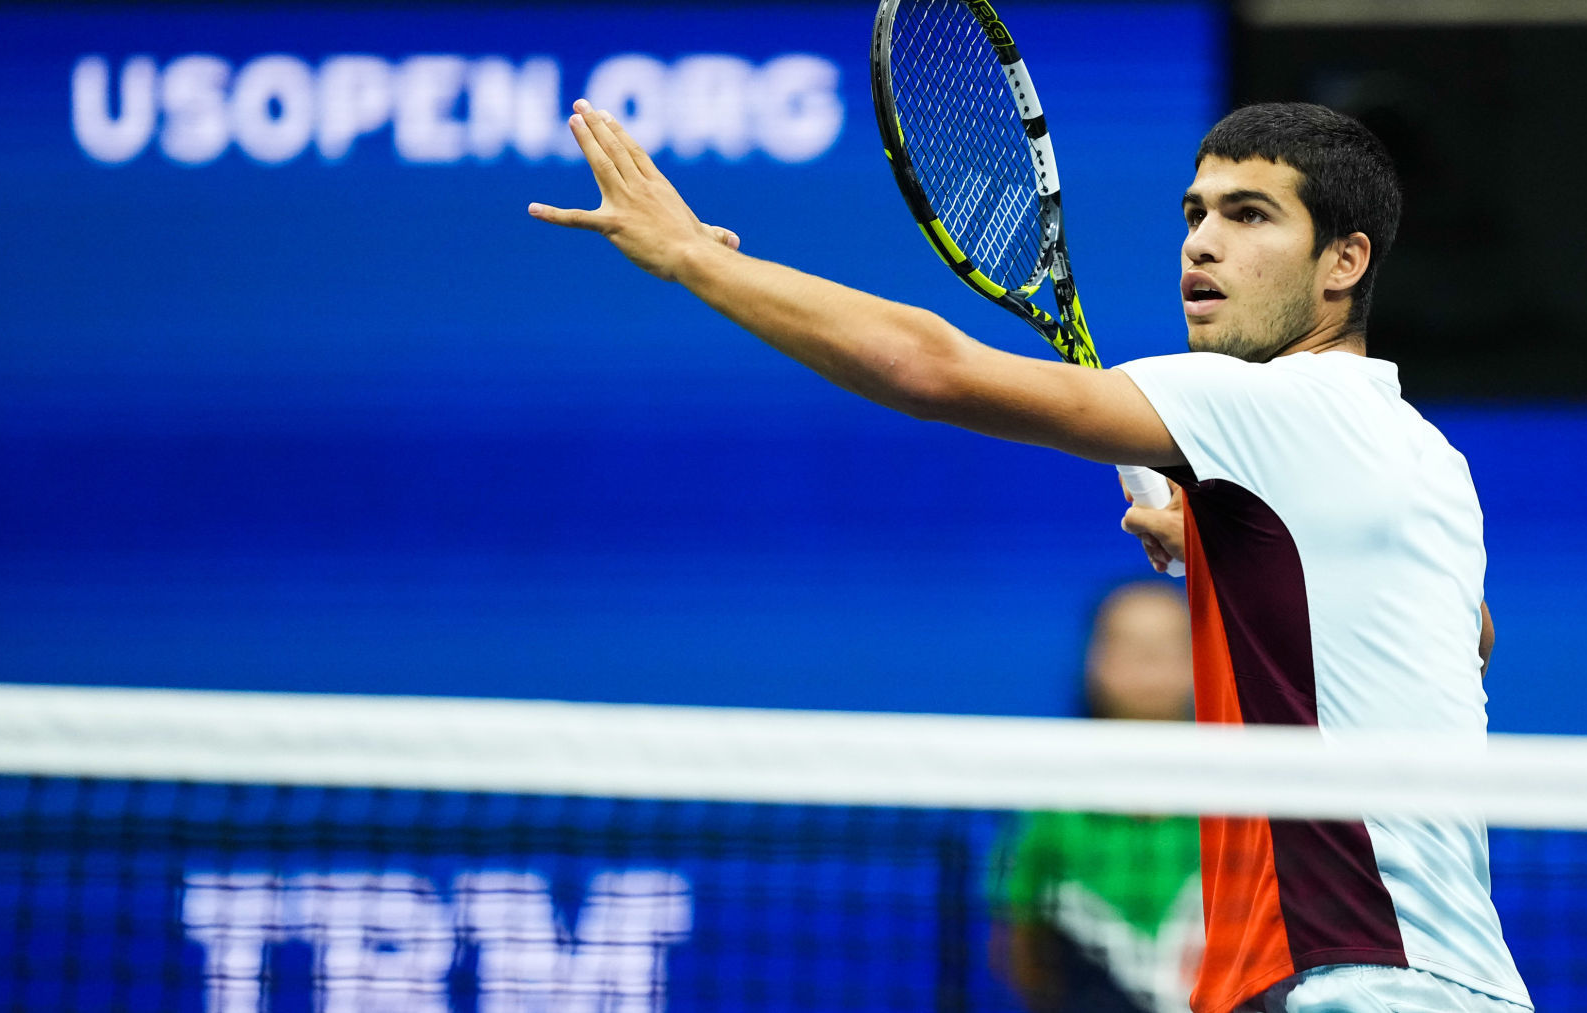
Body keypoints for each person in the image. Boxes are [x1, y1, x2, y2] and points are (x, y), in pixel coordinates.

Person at [528, 98, 1533, 1013]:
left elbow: (929, 368)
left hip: (1351, 984)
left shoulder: (1262, 404)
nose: (1202, 241)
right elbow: (1465, 636)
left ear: (1343, 262)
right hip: (1455, 982)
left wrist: (693, 259)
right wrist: (1227, 549)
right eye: (1195, 213)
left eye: (1249, 214)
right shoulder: (1426, 456)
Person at [992, 581, 1203, 1013]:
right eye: (1128, 645)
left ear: (1201, 659)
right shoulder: (1050, 809)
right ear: (1094, 662)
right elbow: (1020, 943)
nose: (1149, 660)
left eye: (1169, 645)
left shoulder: (1254, 803)